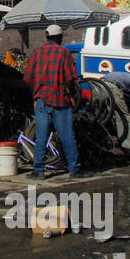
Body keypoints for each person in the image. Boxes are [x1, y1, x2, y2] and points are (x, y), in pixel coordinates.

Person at [23, 24, 83, 178]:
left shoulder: (37, 53)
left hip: (42, 100)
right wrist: (69, 93)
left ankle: (38, 171)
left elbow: (28, 78)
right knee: (67, 136)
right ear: (59, 37)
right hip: (60, 100)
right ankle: (74, 169)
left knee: (41, 136)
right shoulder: (64, 53)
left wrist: (35, 95)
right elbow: (70, 78)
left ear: (46, 36)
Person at [101, 70, 130, 160]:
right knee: (124, 119)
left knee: (101, 118)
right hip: (112, 88)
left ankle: (102, 147)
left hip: (99, 85)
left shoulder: (129, 77)